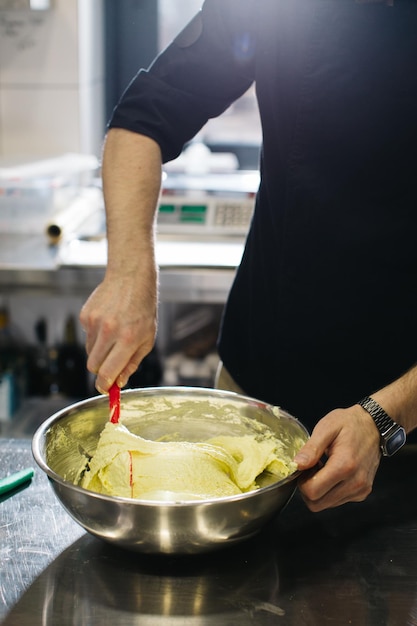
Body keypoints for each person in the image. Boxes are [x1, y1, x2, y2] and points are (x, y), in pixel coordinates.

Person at [80, 0, 417, 512]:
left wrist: (383, 416)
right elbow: (142, 120)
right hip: (257, 388)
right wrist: (129, 274)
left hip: (404, 428)